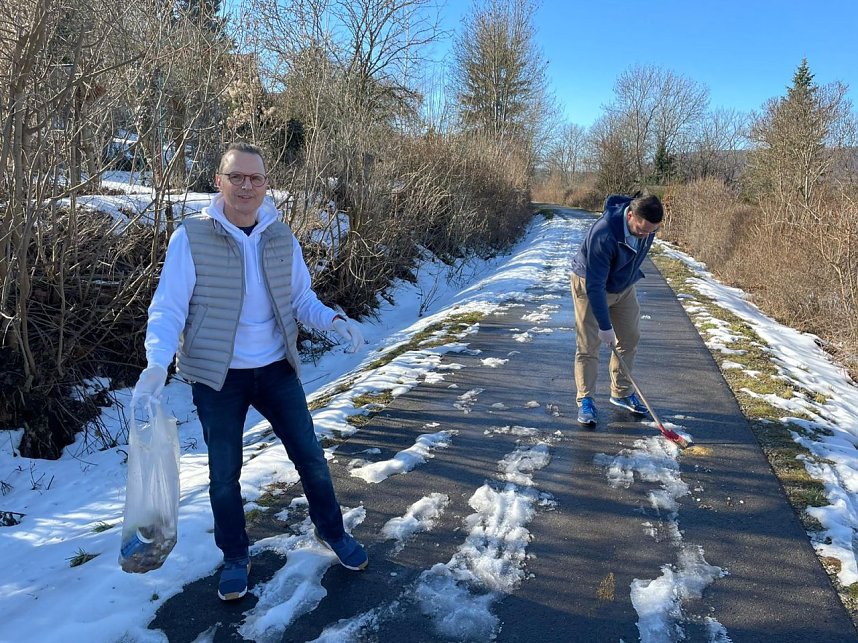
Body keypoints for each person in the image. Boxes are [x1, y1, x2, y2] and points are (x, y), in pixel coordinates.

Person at [131, 142, 368, 601]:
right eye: (236, 176)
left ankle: (332, 532)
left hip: (277, 370)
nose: (246, 186)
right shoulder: (191, 237)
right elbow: (168, 308)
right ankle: (236, 555)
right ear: (218, 181)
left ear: (265, 185)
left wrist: (335, 321)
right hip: (219, 379)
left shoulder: (282, 236)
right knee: (224, 474)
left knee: (311, 458)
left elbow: (301, 300)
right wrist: (157, 363)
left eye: (255, 178)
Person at [569, 193, 664, 426]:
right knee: (589, 345)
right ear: (630, 216)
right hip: (590, 285)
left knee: (630, 337)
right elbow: (595, 285)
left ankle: (620, 392)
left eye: (651, 231)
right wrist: (605, 326)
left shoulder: (646, 226)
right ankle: (586, 400)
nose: (646, 236)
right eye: (642, 230)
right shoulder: (604, 233)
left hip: (623, 285)